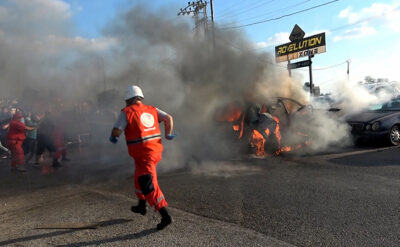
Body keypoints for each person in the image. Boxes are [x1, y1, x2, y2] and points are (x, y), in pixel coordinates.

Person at [110, 85, 176, 230]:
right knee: (138, 177)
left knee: (149, 186)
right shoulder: (152, 109)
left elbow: (116, 131)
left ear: (127, 99)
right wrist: (168, 135)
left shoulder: (126, 112)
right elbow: (168, 118)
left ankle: (165, 216)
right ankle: (141, 205)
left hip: (145, 155)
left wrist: (113, 137)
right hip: (152, 152)